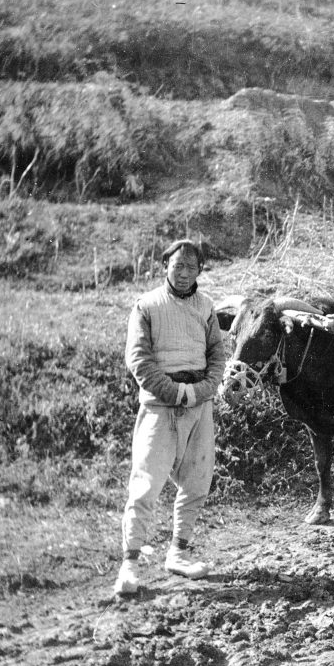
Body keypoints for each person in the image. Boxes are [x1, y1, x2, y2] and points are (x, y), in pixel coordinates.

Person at [113, 239, 227, 595]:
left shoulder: (206, 307)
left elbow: (217, 357)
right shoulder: (146, 305)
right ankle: (129, 566)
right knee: (145, 485)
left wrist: (200, 392)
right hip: (160, 407)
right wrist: (175, 392)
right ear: (165, 265)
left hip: (199, 406)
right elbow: (140, 361)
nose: (183, 273)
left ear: (200, 271)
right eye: (177, 265)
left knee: (197, 481)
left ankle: (179, 552)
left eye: (191, 268)